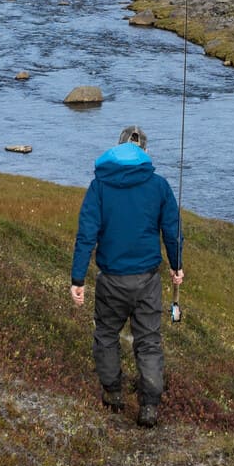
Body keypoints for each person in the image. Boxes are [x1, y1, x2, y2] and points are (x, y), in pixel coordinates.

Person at [70, 125, 184, 427]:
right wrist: (176, 265)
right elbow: (172, 231)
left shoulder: (100, 185)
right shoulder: (158, 185)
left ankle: (113, 394)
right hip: (147, 280)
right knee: (148, 341)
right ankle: (149, 407)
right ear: (144, 153)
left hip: (111, 280)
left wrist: (77, 279)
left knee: (106, 336)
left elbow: (86, 235)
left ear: (117, 150)